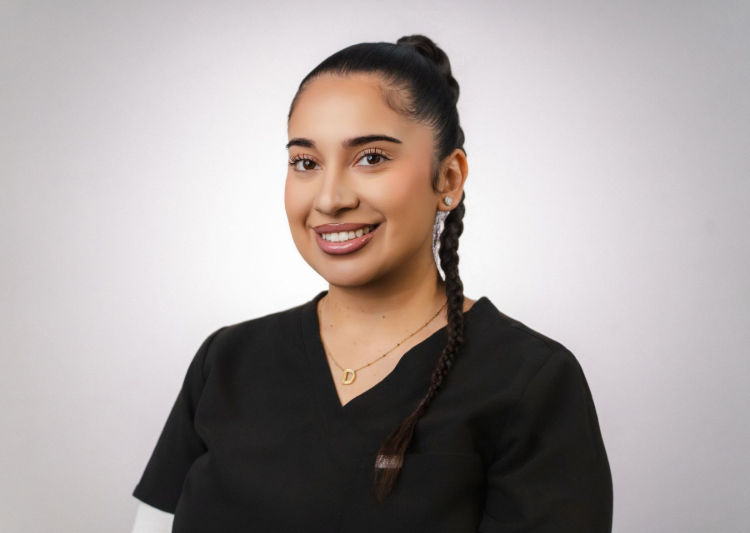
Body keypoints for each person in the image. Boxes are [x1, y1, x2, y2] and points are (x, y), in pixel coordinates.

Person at [131, 34, 614, 533]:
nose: (330, 198)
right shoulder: (227, 360)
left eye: (371, 158)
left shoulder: (531, 382)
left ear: (448, 178)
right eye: (306, 163)